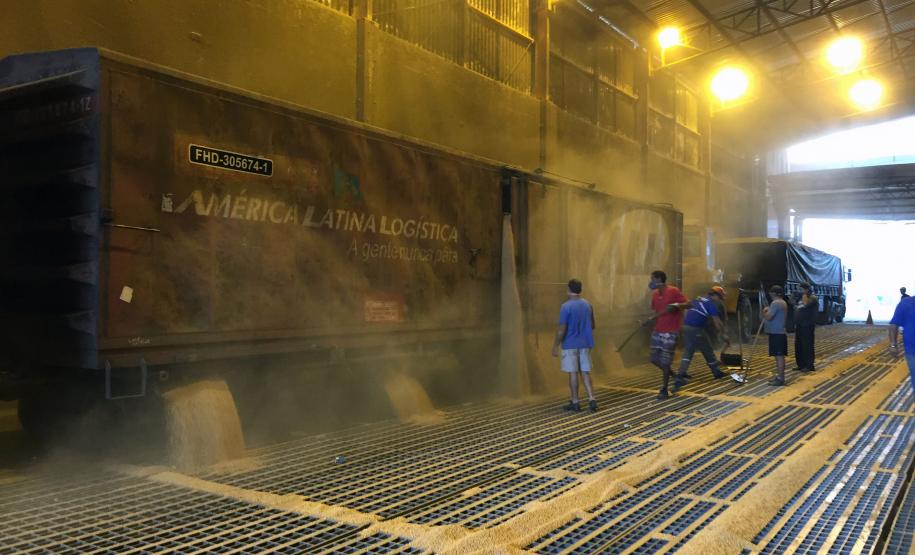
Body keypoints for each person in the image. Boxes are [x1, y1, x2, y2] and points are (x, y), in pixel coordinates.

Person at [552, 278, 597, 413]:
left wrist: (555, 345)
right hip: (585, 343)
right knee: (585, 372)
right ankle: (591, 399)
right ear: (580, 289)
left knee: (573, 373)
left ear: (568, 290)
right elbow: (593, 325)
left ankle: (575, 402)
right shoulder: (588, 305)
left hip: (570, 344)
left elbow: (562, 329)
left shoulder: (565, 307)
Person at [672, 287, 728, 393]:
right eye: (719, 298)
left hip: (686, 327)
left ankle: (680, 375)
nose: (719, 300)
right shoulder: (711, 304)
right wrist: (724, 335)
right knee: (707, 350)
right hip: (696, 329)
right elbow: (717, 322)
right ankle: (716, 373)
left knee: (688, 351)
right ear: (715, 295)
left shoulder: (698, 298)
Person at [648, 270, 688, 400]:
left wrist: (677, 305)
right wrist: (648, 320)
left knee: (665, 362)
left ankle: (664, 389)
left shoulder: (673, 291)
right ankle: (676, 377)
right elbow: (656, 312)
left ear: (659, 279)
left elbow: (689, 304)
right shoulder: (654, 294)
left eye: (653, 279)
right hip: (658, 330)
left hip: (671, 332)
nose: (651, 282)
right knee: (654, 359)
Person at [889, 294, 915, 396]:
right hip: (912, 350)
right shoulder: (905, 303)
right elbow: (894, 325)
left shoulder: (905, 303)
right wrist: (893, 345)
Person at [763, 285, 789, 386]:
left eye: (771, 292)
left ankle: (780, 378)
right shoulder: (782, 302)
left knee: (779, 356)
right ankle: (779, 376)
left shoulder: (776, 303)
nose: (769, 294)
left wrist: (765, 311)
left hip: (777, 333)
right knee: (779, 356)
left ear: (773, 293)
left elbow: (769, 317)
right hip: (779, 333)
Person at [793, 283, 818, 372]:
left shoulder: (812, 298)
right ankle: (801, 364)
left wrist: (804, 294)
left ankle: (809, 365)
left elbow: (806, 303)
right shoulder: (800, 298)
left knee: (807, 345)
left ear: (806, 289)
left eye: (801, 289)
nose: (799, 291)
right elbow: (794, 304)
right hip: (799, 325)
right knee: (798, 345)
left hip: (807, 325)